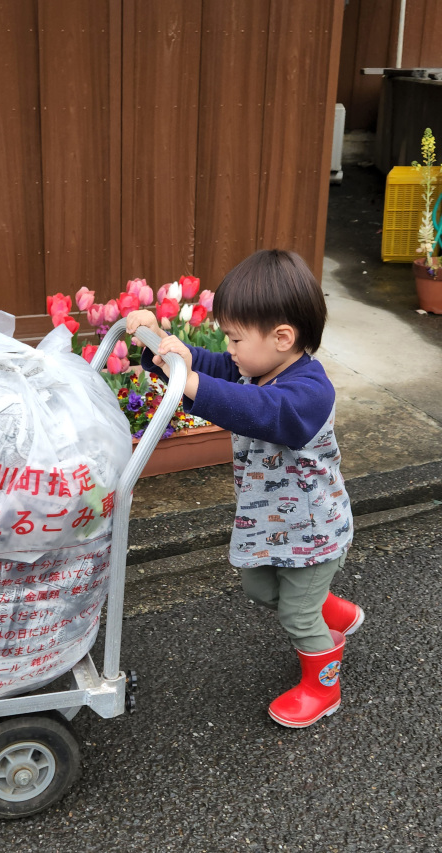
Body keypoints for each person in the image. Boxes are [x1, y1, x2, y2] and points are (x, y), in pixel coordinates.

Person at [126, 249, 364, 728]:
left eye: (235, 338)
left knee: (298, 617)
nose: (228, 349)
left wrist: (191, 381)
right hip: (273, 524)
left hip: (314, 530)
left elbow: (259, 412)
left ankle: (324, 686)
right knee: (258, 586)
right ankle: (331, 610)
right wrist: (165, 350)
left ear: (282, 338)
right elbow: (210, 368)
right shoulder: (254, 366)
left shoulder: (308, 393)